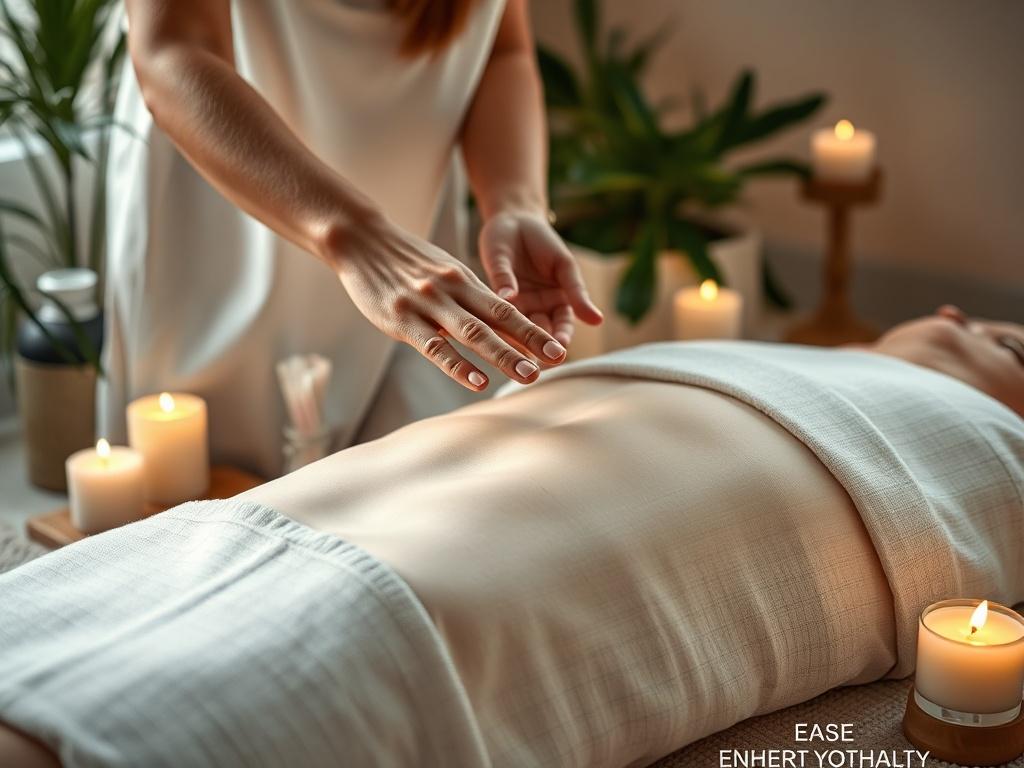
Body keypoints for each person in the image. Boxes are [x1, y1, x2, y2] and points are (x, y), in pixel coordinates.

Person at [2, 307, 1022, 767]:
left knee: (290, 655)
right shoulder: (765, 354)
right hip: (357, 498)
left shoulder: (984, 445)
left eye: (1006, 341)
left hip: (457, 585)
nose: (955, 313)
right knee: (138, 582)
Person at [98, 0, 603, 478]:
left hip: (412, 244)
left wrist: (516, 202)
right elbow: (172, 53)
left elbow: (502, 49)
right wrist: (358, 238)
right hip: (235, 224)